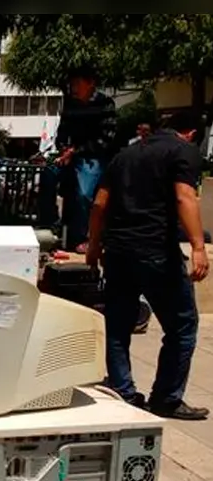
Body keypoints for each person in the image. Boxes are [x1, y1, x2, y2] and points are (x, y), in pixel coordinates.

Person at [86, 111, 210, 421]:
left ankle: (123, 392)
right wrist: (198, 246)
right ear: (192, 132)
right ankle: (166, 399)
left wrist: (94, 245)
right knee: (182, 326)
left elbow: (100, 203)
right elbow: (185, 196)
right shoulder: (184, 151)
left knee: (118, 325)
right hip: (155, 250)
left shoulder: (124, 155)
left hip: (117, 251)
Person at [55, 65, 118, 251]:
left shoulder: (105, 103)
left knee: (84, 194)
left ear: (90, 83)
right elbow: (62, 132)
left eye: (77, 83)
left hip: (94, 158)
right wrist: (63, 149)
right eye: (72, 84)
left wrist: (76, 151)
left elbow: (106, 138)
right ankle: (58, 228)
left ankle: (86, 237)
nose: (73, 88)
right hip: (71, 156)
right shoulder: (70, 104)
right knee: (51, 181)